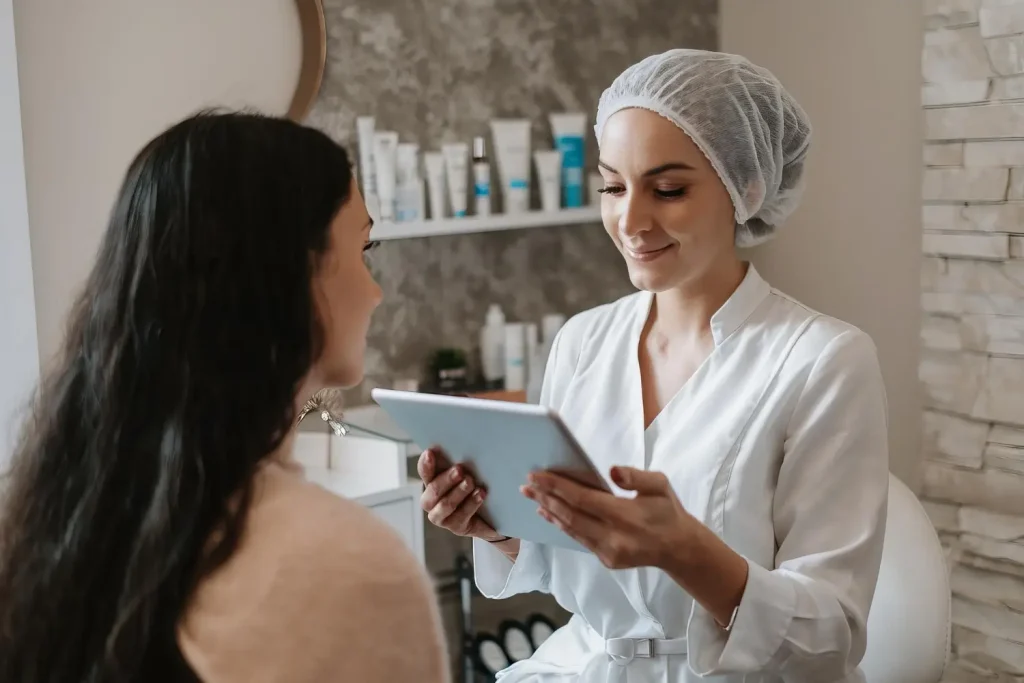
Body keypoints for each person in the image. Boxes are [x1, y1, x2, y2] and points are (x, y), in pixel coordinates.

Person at [418, 49, 889, 682]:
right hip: (584, 665)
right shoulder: (583, 342)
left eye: (668, 189)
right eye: (614, 186)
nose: (631, 220)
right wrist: (496, 527)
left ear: (745, 188)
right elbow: (557, 557)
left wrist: (688, 551)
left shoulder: (822, 360)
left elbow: (830, 633)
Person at [0, 112, 449, 683]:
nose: (376, 290)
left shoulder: (57, 522)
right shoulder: (346, 570)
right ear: (292, 276)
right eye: (365, 248)